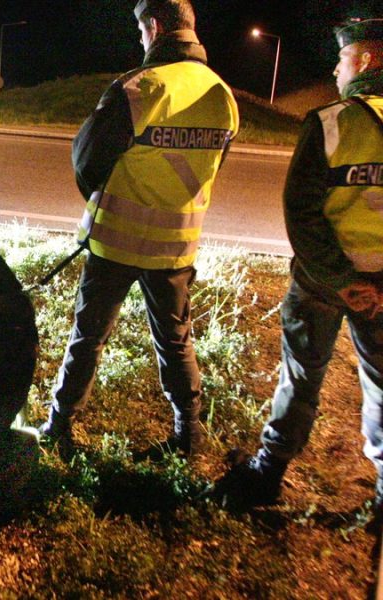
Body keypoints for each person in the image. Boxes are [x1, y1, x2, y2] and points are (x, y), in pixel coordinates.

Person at [38, 0, 239, 457]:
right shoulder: (223, 95)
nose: (141, 40)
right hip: (176, 248)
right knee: (176, 340)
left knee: (88, 337)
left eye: (141, 32)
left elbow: (86, 159)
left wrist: (106, 198)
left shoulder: (140, 87)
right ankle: (188, 435)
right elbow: (213, 166)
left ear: (154, 27)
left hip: (117, 243)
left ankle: (59, 425)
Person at [219, 18, 383, 508]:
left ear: (366, 61)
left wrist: (340, 278)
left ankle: (268, 474)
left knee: (301, 377)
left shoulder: (331, 123)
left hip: (322, 283)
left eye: (343, 59)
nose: (336, 70)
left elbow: (302, 211)